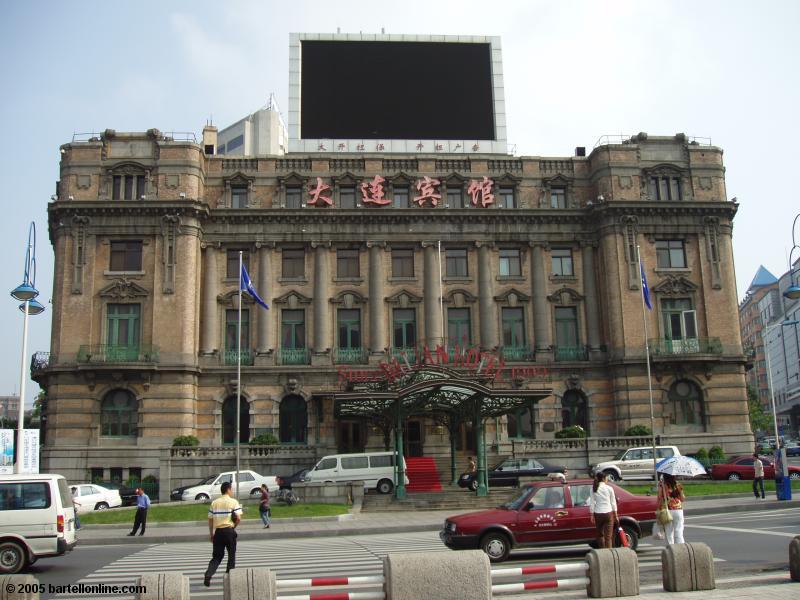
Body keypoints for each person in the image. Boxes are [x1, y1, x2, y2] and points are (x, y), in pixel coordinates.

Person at [203, 481, 242, 587]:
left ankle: (208, 574)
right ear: (228, 490)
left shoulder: (214, 503)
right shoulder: (233, 502)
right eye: (231, 489)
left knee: (217, 556)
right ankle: (229, 578)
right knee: (231, 555)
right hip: (229, 531)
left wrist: (211, 534)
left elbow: (210, 520)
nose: (232, 491)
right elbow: (238, 518)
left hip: (218, 533)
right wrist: (233, 527)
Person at [589, 471, 618, 549]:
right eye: (606, 478)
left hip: (597, 514)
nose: (607, 480)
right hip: (608, 513)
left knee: (600, 535)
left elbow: (592, 503)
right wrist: (616, 515)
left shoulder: (593, 489)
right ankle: (609, 553)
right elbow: (613, 503)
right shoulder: (609, 488)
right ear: (603, 478)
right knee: (608, 537)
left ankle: (602, 552)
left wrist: (591, 515)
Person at [659, 473, 685, 544]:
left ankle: (671, 550)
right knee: (679, 530)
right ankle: (681, 548)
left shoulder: (662, 485)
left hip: (667, 510)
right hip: (678, 510)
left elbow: (659, 498)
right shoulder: (678, 485)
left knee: (669, 532)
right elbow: (682, 499)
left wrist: (658, 508)